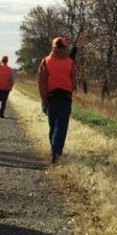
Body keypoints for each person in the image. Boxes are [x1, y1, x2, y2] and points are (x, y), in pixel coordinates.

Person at [37, 36, 75, 164]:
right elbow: (73, 82)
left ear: (53, 46)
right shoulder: (70, 62)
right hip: (65, 98)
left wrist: (44, 100)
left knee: (53, 126)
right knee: (62, 126)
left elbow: (41, 82)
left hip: (51, 98)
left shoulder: (46, 61)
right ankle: (56, 152)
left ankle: (54, 150)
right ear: (65, 47)